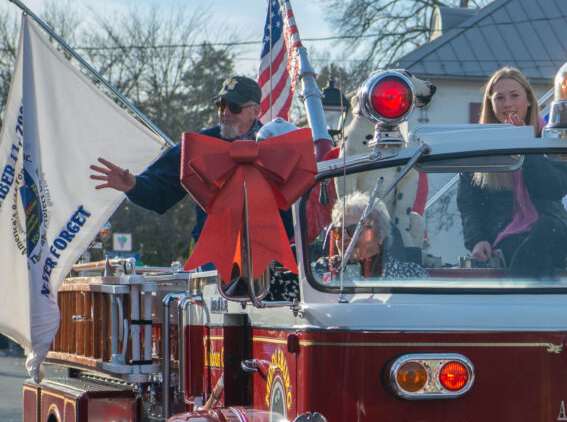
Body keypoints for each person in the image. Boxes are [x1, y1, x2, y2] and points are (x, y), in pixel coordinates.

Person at [90, 76, 291, 247]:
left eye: (235, 107)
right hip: (216, 256)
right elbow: (161, 187)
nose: (225, 112)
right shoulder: (199, 147)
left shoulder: (275, 146)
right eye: (221, 105)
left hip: (274, 251)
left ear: (256, 112)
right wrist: (134, 186)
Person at [457, 67, 567, 277]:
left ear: (528, 100)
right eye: (500, 98)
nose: (507, 103)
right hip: (506, 232)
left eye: (514, 96)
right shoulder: (478, 147)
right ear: (491, 105)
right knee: (514, 247)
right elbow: (468, 203)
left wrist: (525, 147)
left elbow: (555, 188)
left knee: (546, 229)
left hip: (552, 229)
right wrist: (477, 240)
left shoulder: (552, 137)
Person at [327, 191, 427, 281]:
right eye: (338, 231)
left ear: (379, 234)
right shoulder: (320, 272)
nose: (344, 237)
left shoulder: (412, 276)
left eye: (353, 230)